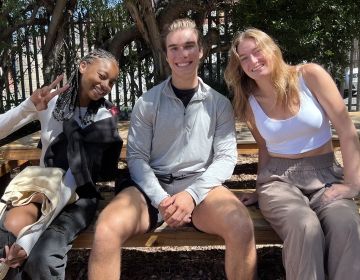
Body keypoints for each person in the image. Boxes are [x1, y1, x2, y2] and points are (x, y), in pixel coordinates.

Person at [88, 18, 257, 280]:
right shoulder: (147, 102)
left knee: (241, 224)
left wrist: (191, 194)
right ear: (166, 54)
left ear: (201, 51)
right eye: (174, 48)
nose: (182, 55)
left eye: (189, 46)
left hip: (200, 189)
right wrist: (162, 200)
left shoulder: (219, 104)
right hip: (150, 189)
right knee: (107, 228)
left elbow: (225, 157)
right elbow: (137, 158)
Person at [224, 28, 360, 280]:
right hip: (278, 181)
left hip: (325, 174)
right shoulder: (248, 101)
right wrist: (259, 189)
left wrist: (352, 184)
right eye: (244, 58)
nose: (253, 61)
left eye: (257, 51)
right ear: (239, 66)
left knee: (346, 225)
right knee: (304, 226)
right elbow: (264, 149)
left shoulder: (310, 76)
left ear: (272, 48)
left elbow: (346, 130)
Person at [0, 48, 122, 279]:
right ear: (83, 66)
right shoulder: (52, 102)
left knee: (42, 257)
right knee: (8, 234)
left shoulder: (104, 118)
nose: (106, 85)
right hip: (42, 186)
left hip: (77, 193)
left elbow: (74, 176)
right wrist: (27, 106)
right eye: (103, 76)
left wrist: (29, 239)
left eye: (112, 82)